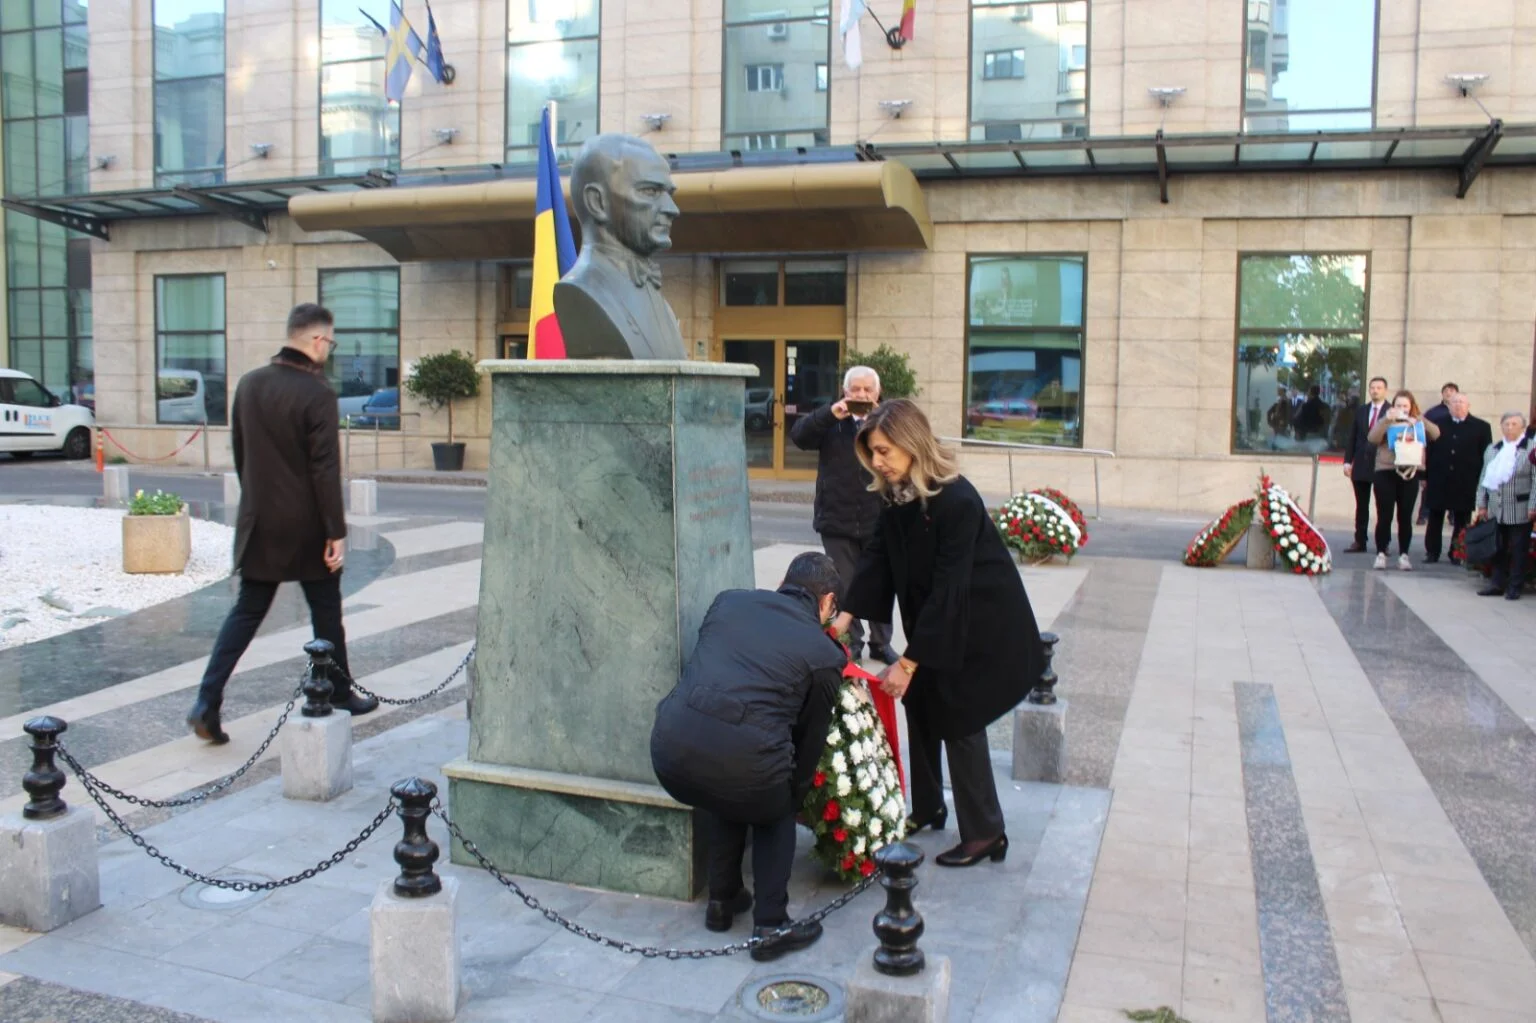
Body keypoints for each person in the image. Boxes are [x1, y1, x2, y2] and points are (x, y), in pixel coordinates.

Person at [834, 399, 1044, 868]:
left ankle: (986, 833)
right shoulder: (898, 495)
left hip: (981, 623)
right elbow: (878, 556)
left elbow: (951, 590)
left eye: (884, 451)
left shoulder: (957, 500)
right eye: (872, 452)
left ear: (912, 445)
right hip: (938, 618)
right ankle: (929, 807)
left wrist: (908, 663)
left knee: (960, 717)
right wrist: (844, 617)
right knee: (920, 704)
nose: (878, 462)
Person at [187, 304, 378, 743]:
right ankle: (339, 691)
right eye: (330, 343)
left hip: (259, 519)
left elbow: (241, 453)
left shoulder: (250, 384)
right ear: (317, 340)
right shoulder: (318, 392)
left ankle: (206, 701)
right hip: (308, 524)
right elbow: (324, 468)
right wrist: (335, 531)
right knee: (326, 609)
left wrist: (257, 501)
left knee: (246, 612)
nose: (329, 351)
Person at [650, 552, 845, 960]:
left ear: (784, 584)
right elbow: (809, 739)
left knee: (733, 775)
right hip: (738, 762)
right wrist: (793, 798)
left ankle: (722, 901)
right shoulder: (824, 653)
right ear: (827, 601)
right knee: (770, 798)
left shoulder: (729, 602)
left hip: (670, 751)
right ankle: (770, 925)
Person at [789, 365, 898, 665]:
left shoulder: (889, 421)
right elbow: (799, 436)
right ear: (845, 391)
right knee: (846, 586)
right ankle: (853, 644)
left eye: (867, 389)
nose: (861, 395)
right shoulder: (830, 419)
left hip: (880, 519)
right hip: (837, 518)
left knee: (881, 583)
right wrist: (831, 413)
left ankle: (881, 643)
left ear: (877, 392)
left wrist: (879, 421)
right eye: (855, 389)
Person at [552, 134, 688, 360]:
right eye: (650, 192)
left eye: (669, 194)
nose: (672, 208)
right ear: (597, 202)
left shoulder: (662, 306)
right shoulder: (582, 292)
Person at [1366, 389, 1440, 571]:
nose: (1402, 408)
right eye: (1398, 405)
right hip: (1386, 470)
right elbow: (1372, 438)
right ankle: (1381, 553)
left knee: (1405, 516)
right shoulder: (1386, 420)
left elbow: (1436, 433)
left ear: (1411, 406)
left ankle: (1404, 555)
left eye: (1405, 406)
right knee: (1384, 515)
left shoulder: (1416, 420)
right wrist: (1386, 420)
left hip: (1409, 471)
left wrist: (1419, 419)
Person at [1473, 412, 1535, 600]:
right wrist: (1481, 504)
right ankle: (1496, 583)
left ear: (1522, 428)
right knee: (1497, 547)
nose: (1510, 428)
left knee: (1518, 549)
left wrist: (1533, 506)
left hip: (1520, 507)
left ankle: (1515, 585)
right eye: (1506, 424)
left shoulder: (1530, 449)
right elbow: (1484, 477)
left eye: (1514, 424)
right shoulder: (1493, 449)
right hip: (1496, 507)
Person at [1423, 393, 1490, 564]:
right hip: (1439, 478)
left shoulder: (1481, 427)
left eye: (1461, 402)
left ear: (1468, 405)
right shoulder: (1438, 424)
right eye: (1454, 402)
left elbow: (1486, 456)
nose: (1458, 405)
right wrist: (1424, 476)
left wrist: (1482, 481)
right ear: (1449, 405)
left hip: (1465, 480)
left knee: (1462, 519)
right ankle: (1432, 552)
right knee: (1435, 517)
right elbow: (1427, 451)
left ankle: (1456, 552)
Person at [1343, 377, 1391, 553]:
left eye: (1379, 388)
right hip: (1361, 463)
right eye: (1372, 388)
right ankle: (1360, 540)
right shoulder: (1362, 410)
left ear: (1385, 390)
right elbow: (1353, 436)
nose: (1375, 391)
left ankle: (1383, 543)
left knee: (1383, 506)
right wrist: (1347, 461)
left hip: (1382, 464)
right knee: (1362, 506)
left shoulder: (1391, 411)